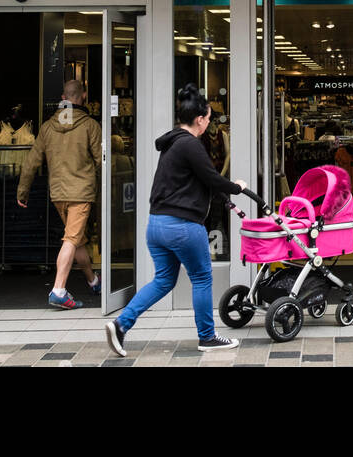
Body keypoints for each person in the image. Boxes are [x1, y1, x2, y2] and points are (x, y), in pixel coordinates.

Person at [104, 86, 248, 356]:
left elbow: (195, 181)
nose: (208, 123)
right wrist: (236, 187)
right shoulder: (190, 144)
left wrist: (220, 195)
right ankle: (207, 337)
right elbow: (211, 177)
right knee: (203, 278)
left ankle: (121, 324)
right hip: (182, 226)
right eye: (208, 118)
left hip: (156, 225)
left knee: (163, 280)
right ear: (199, 120)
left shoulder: (172, 144)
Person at [16, 79, 102, 309]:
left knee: (78, 240)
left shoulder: (47, 127)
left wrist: (22, 191)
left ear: (63, 98)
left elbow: (31, 162)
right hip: (81, 192)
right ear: (82, 96)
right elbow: (101, 160)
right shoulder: (90, 126)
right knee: (72, 239)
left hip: (58, 194)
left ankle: (93, 281)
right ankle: (59, 289)